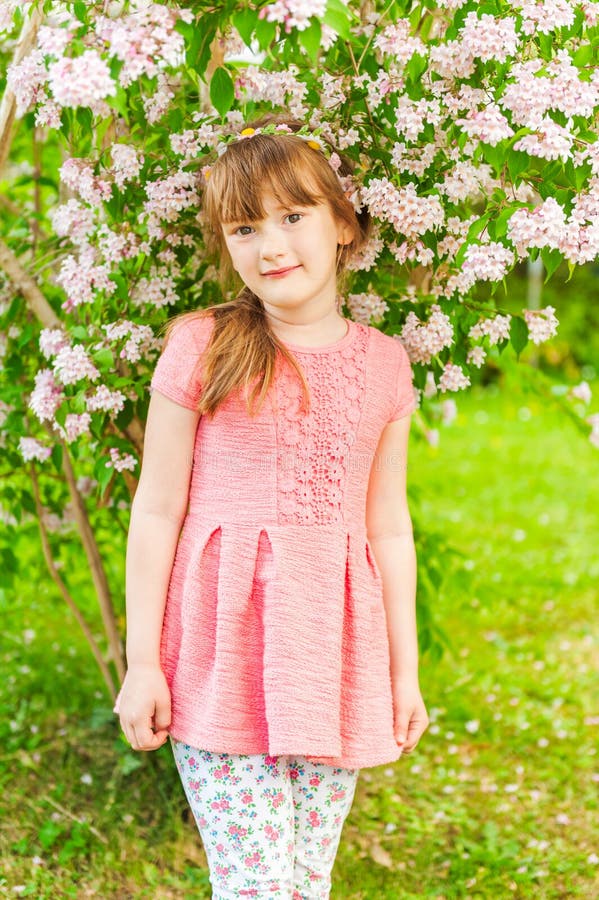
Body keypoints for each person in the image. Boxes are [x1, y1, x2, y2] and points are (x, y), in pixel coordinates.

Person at [113, 114, 429, 899]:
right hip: (223, 659)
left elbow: (387, 527)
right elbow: (156, 510)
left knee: (302, 883)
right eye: (245, 227)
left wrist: (404, 671)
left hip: (333, 659)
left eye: (293, 217)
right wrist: (143, 664)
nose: (272, 245)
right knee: (254, 882)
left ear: (343, 224)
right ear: (227, 246)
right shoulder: (204, 344)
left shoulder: (385, 367)